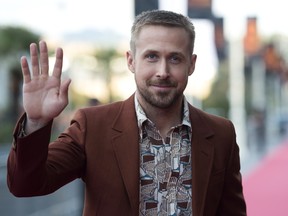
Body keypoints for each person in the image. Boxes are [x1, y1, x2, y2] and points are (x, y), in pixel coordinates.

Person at [7, 10, 246, 216]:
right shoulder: (92, 126)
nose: (162, 71)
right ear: (131, 61)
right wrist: (36, 122)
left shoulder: (220, 134)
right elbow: (24, 185)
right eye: (151, 56)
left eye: (175, 58)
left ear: (191, 64)